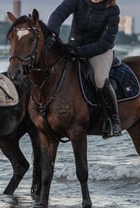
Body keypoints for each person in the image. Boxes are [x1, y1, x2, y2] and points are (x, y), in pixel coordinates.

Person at [46, 0, 122, 138]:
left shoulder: (113, 10)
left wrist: (78, 51)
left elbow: (104, 43)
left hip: (99, 52)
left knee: (99, 79)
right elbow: (58, 15)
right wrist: (52, 33)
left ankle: (114, 120)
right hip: (74, 47)